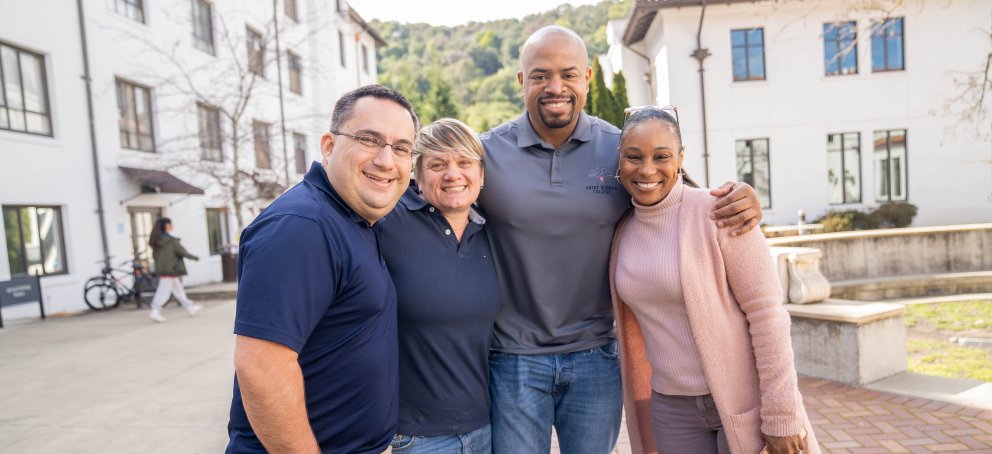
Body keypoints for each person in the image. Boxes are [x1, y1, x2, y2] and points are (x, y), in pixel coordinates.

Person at [477, 25, 763, 453]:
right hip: (514, 359)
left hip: (596, 357)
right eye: (540, 75)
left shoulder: (621, 150)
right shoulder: (486, 155)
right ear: (521, 82)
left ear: (588, 78)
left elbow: (682, 199)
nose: (555, 87)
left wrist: (743, 197)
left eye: (568, 74)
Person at [609, 106, 818, 454]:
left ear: (680, 159)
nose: (647, 169)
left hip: (742, 398)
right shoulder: (622, 231)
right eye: (634, 157)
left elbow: (767, 313)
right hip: (671, 409)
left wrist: (782, 412)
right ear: (620, 160)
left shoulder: (719, 211)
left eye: (661, 156)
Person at [226, 85, 418, 454]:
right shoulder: (303, 225)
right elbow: (262, 367)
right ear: (329, 146)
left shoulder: (353, 219)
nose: (385, 160)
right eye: (369, 139)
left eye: (401, 148)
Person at [378, 118, 500, 453]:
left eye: (464, 162)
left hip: (484, 427)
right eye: (437, 164)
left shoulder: (492, 232)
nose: (452, 174)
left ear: (482, 174)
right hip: (416, 435)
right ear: (416, 173)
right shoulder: (387, 220)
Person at [147, 217, 202, 322]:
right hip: (170, 270)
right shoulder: (170, 240)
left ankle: (190, 307)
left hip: (164, 270)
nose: (172, 226)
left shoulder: (156, 240)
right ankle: (155, 311)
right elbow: (182, 252)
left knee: (178, 291)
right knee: (163, 293)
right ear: (167, 226)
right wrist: (195, 258)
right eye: (171, 224)